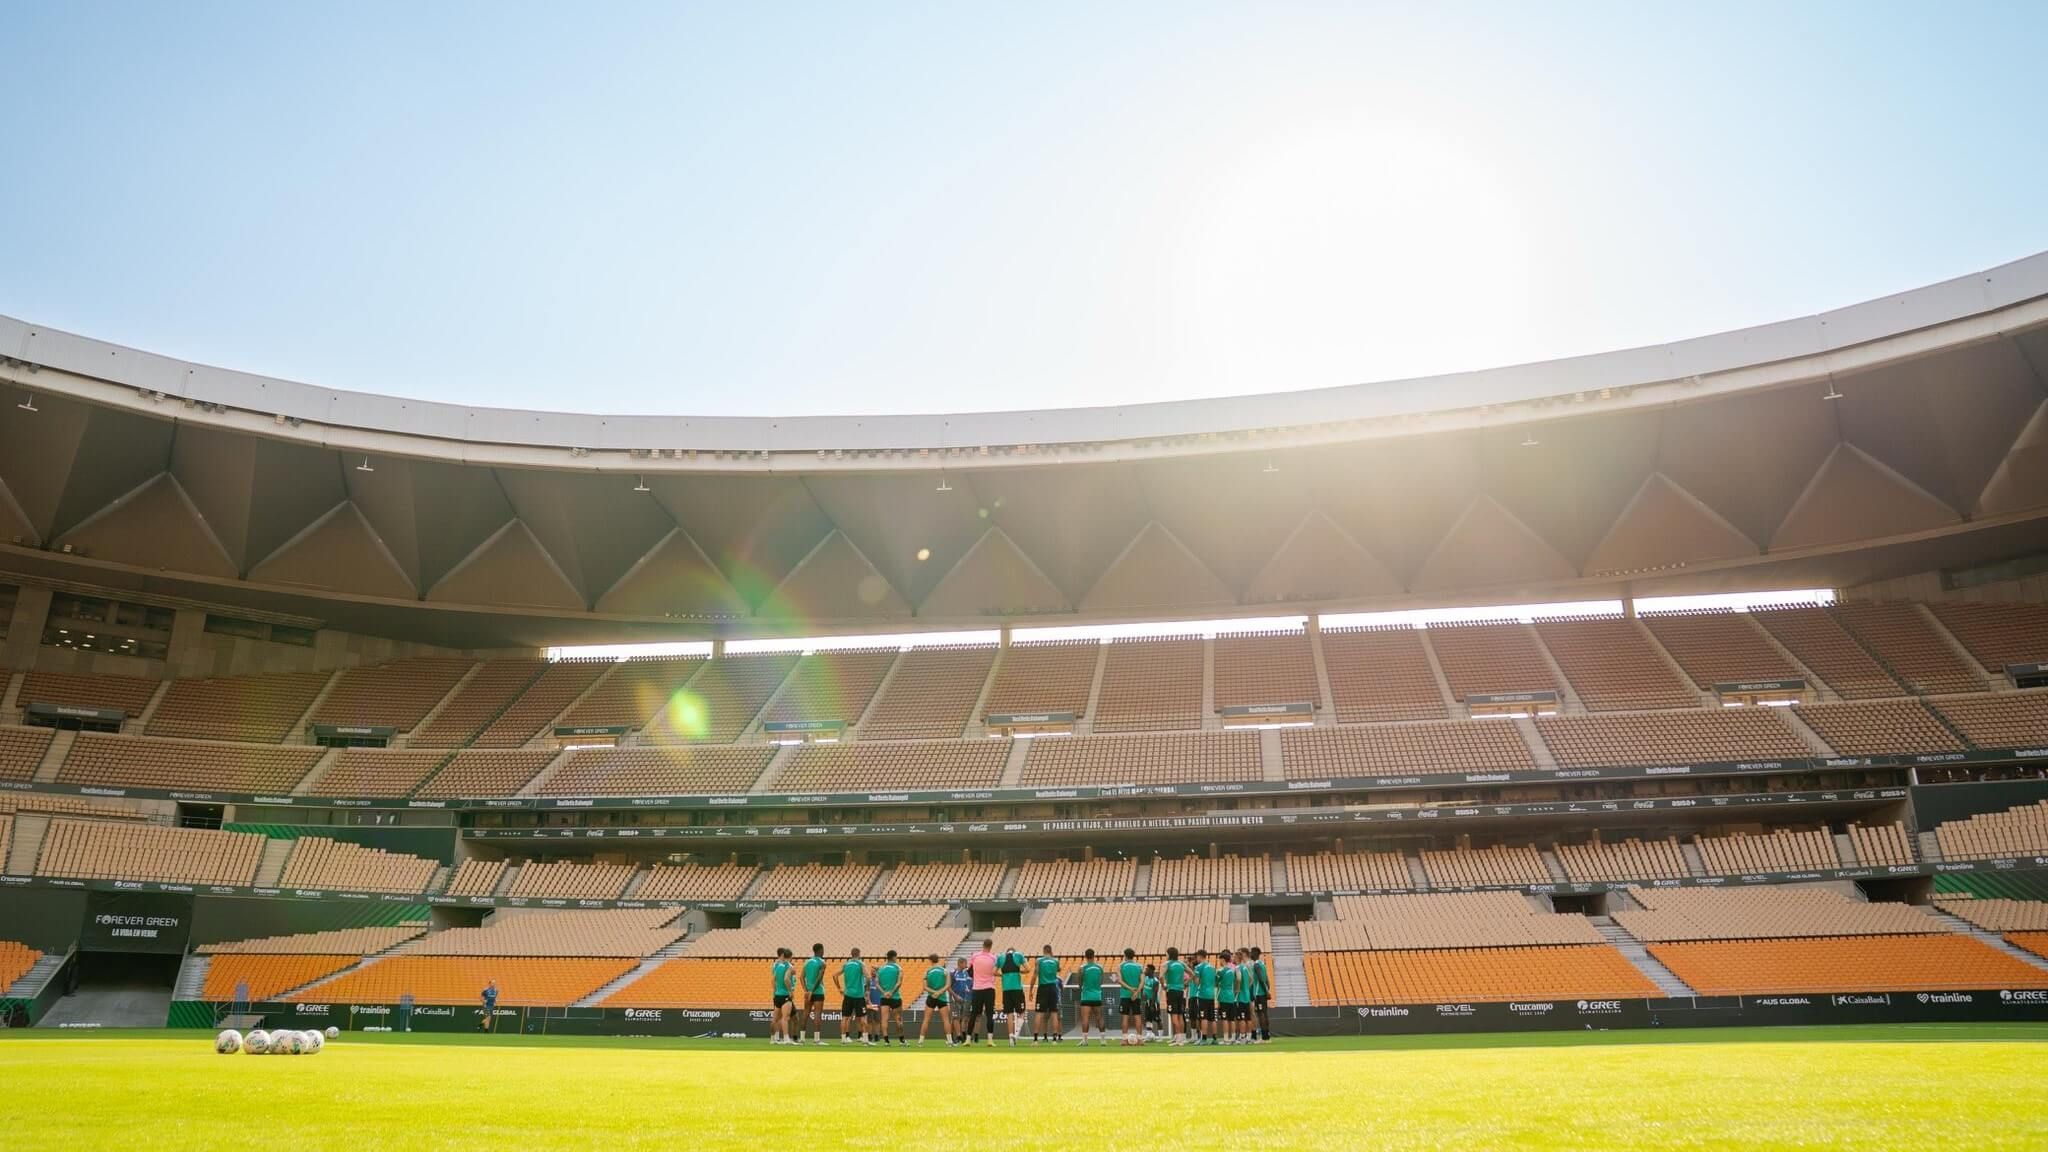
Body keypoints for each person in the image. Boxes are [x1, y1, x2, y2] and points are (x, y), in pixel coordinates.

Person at [967, 939, 998, 1045]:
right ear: (991, 946)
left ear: (983, 945)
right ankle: (990, 1040)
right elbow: (995, 971)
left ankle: (967, 1039)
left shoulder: (974, 956)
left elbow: (969, 971)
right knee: (990, 1014)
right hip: (989, 988)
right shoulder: (994, 958)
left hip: (977, 988)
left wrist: (976, 976)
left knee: (973, 1014)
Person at [998, 945, 1028, 1046]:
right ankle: (1016, 1033)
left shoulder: (1000, 957)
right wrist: (1019, 971)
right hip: (1017, 989)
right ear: (1014, 951)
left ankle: (1011, 1038)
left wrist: (1003, 975)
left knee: (1009, 1014)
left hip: (1006, 989)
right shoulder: (1018, 955)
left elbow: (993, 972)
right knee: (1022, 1012)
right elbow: (1028, 969)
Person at [918, 953, 951, 1046]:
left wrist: (934, 992)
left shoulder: (927, 972)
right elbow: (948, 985)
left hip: (931, 997)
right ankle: (950, 1041)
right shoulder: (944, 971)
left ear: (930, 961)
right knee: (946, 1020)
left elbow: (925, 987)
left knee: (926, 1020)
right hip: (942, 997)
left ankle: (921, 1041)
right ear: (938, 960)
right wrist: (939, 992)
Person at [1032, 945, 1062, 1043]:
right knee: (1054, 1013)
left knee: (1039, 1013)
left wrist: (1031, 989)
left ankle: (1035, 1039)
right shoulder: (1056, 961)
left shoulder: (1039, 961)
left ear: (1043, 951)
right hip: (1053, 988)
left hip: (1043, 988)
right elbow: (1059, 969)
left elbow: (1035, 975)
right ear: (1051, 951)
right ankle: (1054, 1038)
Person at [1075, 949, 1105, 1045]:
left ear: (1085, 956)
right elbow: (1101, 982)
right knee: (1099, 1017)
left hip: (1086, 996)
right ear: (1094, 955)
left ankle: (1085, 1040)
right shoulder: (1100, 968)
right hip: (1097, 996)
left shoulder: (1082, 968)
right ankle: (1103, 1040)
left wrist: (1083, 987)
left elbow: (1079, 983)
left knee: (1085, 1018)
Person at [840, 947, 869, 1045]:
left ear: (851, 954)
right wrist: (867, 990)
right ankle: (865, 1039)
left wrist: (839, 988)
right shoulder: (861, 964)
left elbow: (834, 975)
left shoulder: (846, 964)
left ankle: (843, 1038)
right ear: (859, 954)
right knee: (863, 1018)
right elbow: (868, 977)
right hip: (859, 996)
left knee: (845, 1017)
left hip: (848, 995)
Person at [800, 943, 828, 1046]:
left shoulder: (807, 962)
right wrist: (812, 991)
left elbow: (801, 977)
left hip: (808, 992)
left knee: (805, 1014)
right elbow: (819, 978)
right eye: (823, 950)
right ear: (820, 950)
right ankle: (816, 1040)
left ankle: (802, 1039)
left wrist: (806, 990)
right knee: (817, 1014)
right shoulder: (822, 963)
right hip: (818, 992)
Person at [1117, 948, 1145, 1046]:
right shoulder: (1139, 966)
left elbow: (1120, 981)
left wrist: (1130, 989)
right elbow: (1142, 981)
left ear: (1125, 955)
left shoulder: (1121, 966)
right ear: (1133, 955)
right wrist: (1136, 992)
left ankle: (1124, 1040)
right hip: (1136, 996)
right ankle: (1140, 1039)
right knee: (1138, 1017)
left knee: (1125, 1017)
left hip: (1125, 995)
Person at [876, 950, 905, 1046]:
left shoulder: (881, 969)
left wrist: (884, 992)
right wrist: (892, 992)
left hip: (884, 997)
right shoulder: (898, 968)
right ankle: (902, 1041)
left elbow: (877, 983)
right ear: (894, 957)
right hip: (895, 997)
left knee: (884, 1019)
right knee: (898, 1019)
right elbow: (899, 982)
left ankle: (886, 1041)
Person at [1163, 947, 1190, 1046]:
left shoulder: (1166, 964)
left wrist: (1163, 985)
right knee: (1180, 1015)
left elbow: (1161, 976)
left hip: (1172, 991)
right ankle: (1181, 1038)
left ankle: (1178, 1039)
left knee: (1174, 1015)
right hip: (1180, 991)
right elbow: (1192, 974)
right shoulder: (1182, 964)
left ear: (1169, 954)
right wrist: (1185, 983)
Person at [1245, 946, 1272, 1044]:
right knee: (1264, 1013)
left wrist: (1266, 991)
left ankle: (1264, 1038)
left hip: (1259, 993)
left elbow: (1261, 979)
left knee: (1261, 1015)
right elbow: (1267, 979)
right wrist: (1268, 990)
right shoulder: (1262, 964)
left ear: (1255, 954)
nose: (1250, 954)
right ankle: (1267, 1036)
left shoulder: (1256, 965)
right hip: (1263, 993)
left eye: (1251, 952)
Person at [1191, 949, 1218, 1046]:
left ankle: (1204, 1039)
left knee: (1203, 1017)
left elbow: (1197, 982)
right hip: (1211, 994)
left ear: (1199, 956)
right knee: (1212, 1018)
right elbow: (1215, 981)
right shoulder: (1212, 967)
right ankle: (1215, 1038)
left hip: (1202, 994)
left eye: (1197, 957)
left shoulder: (1199, 967)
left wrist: (1193, 976)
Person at [770, 947, 796, 1045]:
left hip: (777, 995)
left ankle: (772, 1039)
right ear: (791, 957)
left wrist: (776, 990)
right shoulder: (789, 966)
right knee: (785, 1018)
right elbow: (786, 979)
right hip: (785, 995)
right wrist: (790, 991)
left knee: (775, 1019)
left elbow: (773, 980)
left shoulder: (777, 966)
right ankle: (786, 1039)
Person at [1217, 952, 1241, 1045]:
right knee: (1232, 1019)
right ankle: (1233, 1038)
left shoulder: (1221, 971)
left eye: (1220, 959)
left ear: (1222, 960)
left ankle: (1226, 1039)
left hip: (1223, 996)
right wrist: (1237, 990)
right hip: (1231, 996)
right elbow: (1239, 979)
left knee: (1225, 1019)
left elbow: (1216, 982)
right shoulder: (1233, 970)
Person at [950, 957, 975, 1044]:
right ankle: (959, 1036)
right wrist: (955, 996)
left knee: (963, 1018)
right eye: (965, 963)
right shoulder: (953, 973)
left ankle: (958, 1035)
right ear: (960, 963)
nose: (966, 965)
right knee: (956, 1018)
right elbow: (948, 986)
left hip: (965, 998)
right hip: (955, 999)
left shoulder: (967, 973)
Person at [1141, 964, 1163, 1043]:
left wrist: (1152, 1005)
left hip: (1154, 1002)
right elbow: (1143, 989)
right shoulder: (1145, 978)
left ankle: (1160, 1037)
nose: (1145, 971)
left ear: (1151, 971)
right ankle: (1149, 1035)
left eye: (1147, 969)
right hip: (1147, 1001)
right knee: (1148, 1019)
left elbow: (1154, 993)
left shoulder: (1155, 981)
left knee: (1157, 1019)